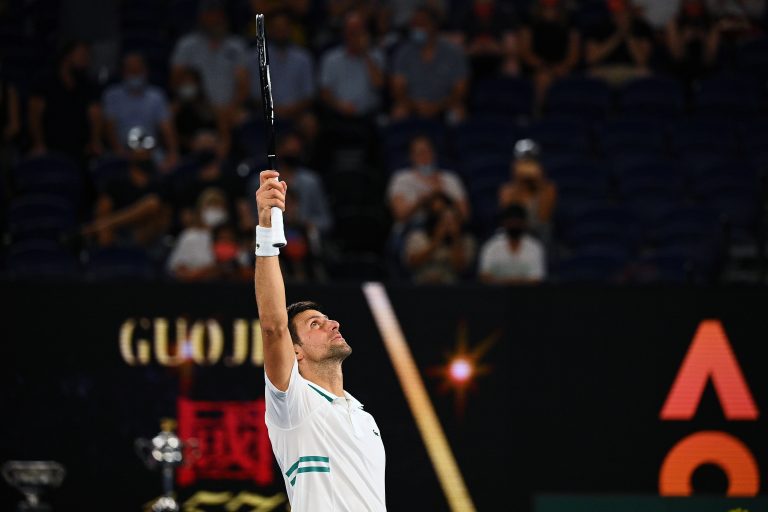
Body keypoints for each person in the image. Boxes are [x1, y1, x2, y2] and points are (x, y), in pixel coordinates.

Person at [253, 169, 386, 511]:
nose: (332, 324)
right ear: (294, 350)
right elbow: (273, 326)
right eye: (315, 323)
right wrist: (266, 228)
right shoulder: (293, 403)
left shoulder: (364, 418)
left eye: (327, 319)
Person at [84, 139, 171, 250]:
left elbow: (163, 215)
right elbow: (102, 210)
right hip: (117, 233)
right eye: (139, 150)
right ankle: (105, 260)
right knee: (103, 229)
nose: (143, 154)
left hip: (146, 234)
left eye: (146, 151)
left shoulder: (159, 181)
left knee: (152, 204)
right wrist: (107, 227)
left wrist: (107, 224)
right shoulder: (116, 181)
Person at [28, 40, 103, 161]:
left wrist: (95, 141)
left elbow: (95, 114)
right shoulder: (44, 81)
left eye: (88, 56)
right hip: (51, 146)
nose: (86, 59)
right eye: (82, 55)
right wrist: (38, 143)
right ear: (67, 56)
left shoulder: (88, 84)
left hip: (80, 147)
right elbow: (34, 115)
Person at [170, 0, 249, 114]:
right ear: (201, 17)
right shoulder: (187, 45)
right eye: (209, 15)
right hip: (195, 109)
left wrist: (230, 109)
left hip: (230, 110)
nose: (214, 20)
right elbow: (176, 80)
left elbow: (243, 85)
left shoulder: (237, 46)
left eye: (218, 15)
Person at [391, 6, 469, 122]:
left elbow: (460, 89)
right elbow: (397, 88)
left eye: (422, 24)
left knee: (458, 113)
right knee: (398, 112)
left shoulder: (453, 52)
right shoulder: (404, 52)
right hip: (412, 104)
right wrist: (413, 104)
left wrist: (439, 106)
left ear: (434, 26)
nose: (417, 29)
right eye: (415, 25)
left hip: (444, 105)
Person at [247, 131, 333, 235]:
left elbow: (326, 221)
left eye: (296, 150)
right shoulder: (261, 181)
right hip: (270, 238)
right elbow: (251, 219)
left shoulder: (311, 181)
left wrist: (305, 224)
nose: (293, 152)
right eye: (289, 150)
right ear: (278, 150)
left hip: (303, 239)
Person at [103, 53, 179, 170]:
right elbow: (110, 127)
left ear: (145, 72)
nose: (135, 74)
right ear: (123, 73)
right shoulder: (112, 95)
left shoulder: (156, 96)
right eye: (131, 71)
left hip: (151, 151)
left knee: (169, 168)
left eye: (138, 70)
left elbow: (166, 127)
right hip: (124, 151)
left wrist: (173, 153)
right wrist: (119, 150)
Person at [387, 135, 469, 231]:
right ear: (411, 156)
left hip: (451, 227)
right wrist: (423, 199)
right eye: (419, 153)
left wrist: (445, 195)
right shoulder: (401, 178)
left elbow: (465, 215)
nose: (424, 156)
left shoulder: (450, 178)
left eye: (427, 151)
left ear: (434, 153)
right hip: (414, 229)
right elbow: (400, 214)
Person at [247, 9, 315, 121]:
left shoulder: (304, 58)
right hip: (263, 113)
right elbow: (253, 94)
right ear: (269, 30)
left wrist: (289, 110)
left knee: (309, 121)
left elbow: (308, 95)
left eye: (284, 27)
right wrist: (273, 110)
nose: (280, 31)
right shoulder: (256, 56)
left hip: (296, 114)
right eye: (277, 28)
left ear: (291, 29)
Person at [319, 10, 385, 118]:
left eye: (359, 32)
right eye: (352, 32)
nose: (355, 37)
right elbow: (325, 93)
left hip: (368, 117)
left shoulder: (376, 56)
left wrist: (365, 54)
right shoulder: (331, 59)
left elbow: (379, 85)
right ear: (345, 34)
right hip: (338, 114)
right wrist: (339, 105)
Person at [519, 0, 581, 107]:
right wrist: (544, 66)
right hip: (538, 67)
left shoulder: (570, 18)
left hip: (563, 67)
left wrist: (563, 66)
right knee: (543, 79)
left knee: (568, 80)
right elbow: (525, 51)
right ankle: (539, 115)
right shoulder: (529, 18)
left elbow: (574, 53)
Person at [403, 192, 475, 284]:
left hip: (451, 289)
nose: (448, 225)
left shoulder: (467, 240)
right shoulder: (418, 236)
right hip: (420, 286)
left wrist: (456, 239)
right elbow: (412, 264)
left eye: (453, 221)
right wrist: (436, 240)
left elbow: (460, 268)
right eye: (444, 220)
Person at [583, 0, 654, 86]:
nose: (620, 16)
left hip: (632, 70)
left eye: (624, 12)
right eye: (617, 13)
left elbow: (642, 61)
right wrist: (618, 35)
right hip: (605, 70)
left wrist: (628, 34)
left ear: (630, 12)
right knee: (590, 74)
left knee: (645, 73)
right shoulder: (598, 27)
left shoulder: (642, 27)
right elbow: (591, 58)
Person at [498, 139, 557, 243]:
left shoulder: (548, 188)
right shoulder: (507, 190)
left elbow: (543, 217)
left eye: (530, 162)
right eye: (524, 162)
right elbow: (510, 218)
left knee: (546, 231)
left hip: (539, 235)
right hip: (516, 234)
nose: (527, 167)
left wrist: (539, 182)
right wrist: (518, 182)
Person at [167, 187, 229, 281]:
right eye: (210, 205)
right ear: (200, 210)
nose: (214, 210)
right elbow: (177, 269)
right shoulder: (189, 236)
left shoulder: (230, 238)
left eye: (218, 206)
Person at [478, 203, 546, 284]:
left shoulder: (534, 247)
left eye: (517, 222)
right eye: (511, 222)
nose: (514, 225)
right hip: (497, 295)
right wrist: (514, 282)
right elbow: (484, 277)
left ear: (524, 223)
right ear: (504, 223)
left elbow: (536, 280)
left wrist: (505, 282)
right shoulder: (492, 246)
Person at [665, 0, 721, 82]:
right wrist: (683, 40)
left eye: (696, 2)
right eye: (690, 2)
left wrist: (704, 39)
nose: (693, 5)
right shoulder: (674, 23)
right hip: (680, 68)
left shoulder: (710, 23)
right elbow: (675, 55)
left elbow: (711, 57)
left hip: (705, 67)